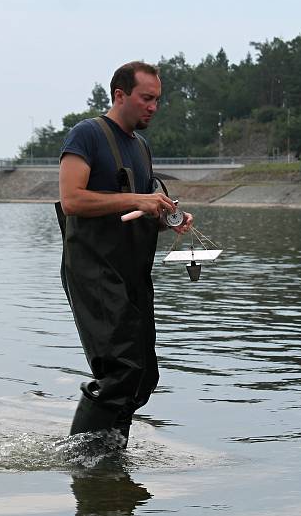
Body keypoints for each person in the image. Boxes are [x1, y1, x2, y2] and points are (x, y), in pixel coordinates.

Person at [55, 61, 193, 445]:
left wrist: (169, 219)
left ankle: (109, 452)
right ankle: (84, 458)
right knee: (120, 370)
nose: (153, 107)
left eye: (157, 100)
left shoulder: (141, 147)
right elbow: (71, 200)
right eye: (146, 98)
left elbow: (140, 209)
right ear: (120, 95)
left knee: (143, 374)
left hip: (132, 273)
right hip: (94, 271)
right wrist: (139, 198)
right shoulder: (87, 135)